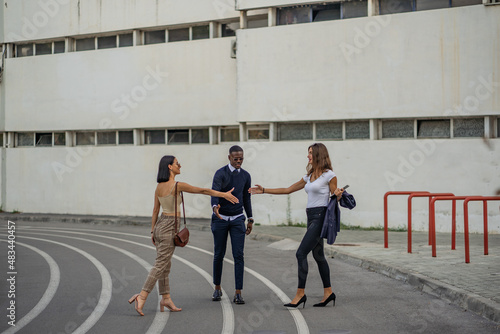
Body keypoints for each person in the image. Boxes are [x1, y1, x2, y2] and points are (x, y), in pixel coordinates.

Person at [128, 155, 239, 315]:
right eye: (177, 163)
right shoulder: (177, 185)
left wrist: (152, 231)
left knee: (165, 265)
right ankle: (142, 296)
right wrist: (224, 195)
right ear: (169, 167)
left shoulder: (159, 186)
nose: (180, 165)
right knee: (160, 265)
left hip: (160, 226)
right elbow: (202, 190)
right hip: (168, 227)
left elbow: (155, 211)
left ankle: (166, 298)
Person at [249, 143, 344, 308]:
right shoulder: (309, 175)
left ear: (318, 155)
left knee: (301, 253)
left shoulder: (329, 175)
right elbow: (288, 189)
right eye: (308, 153)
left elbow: (334, 193)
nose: (308, 156)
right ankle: (328, 293)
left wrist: (338, 194)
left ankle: (300, 294)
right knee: (318, 256)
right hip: (311, 217)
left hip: (320, 217)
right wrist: (263, 190)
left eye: (310, 153)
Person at [211, 145, 254, 304]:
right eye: (236, 159)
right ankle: (217, 288)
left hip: (237, 219)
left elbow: (247, 198)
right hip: (220, 218)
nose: (238, 161)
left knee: (238, 255)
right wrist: (215, 207)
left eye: (241, 158)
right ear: (229, 157)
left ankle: (238, 292)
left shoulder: (246, 176)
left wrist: (250, 218)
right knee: (218, 254)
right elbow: (214, 192)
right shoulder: (220, 173)